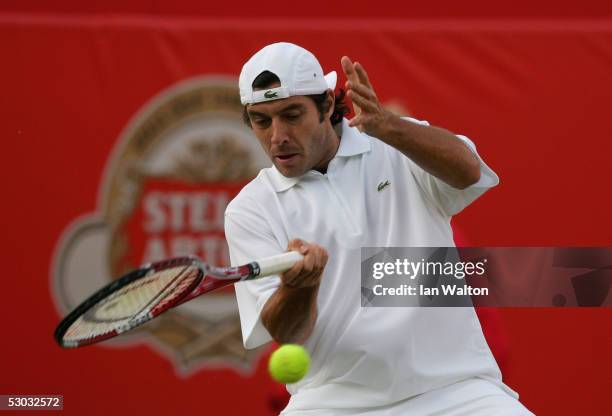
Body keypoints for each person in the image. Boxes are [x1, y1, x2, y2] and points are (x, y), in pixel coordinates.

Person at [225, 42, 532, 415]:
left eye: (292, 114)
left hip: (456, 391)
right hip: (328, 402)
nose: (278, 135)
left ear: (325, 106)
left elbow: (469, 173)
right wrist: (299, 287)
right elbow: (287, 333)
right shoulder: (249, 209)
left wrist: (390, 128)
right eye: (262, 121)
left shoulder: (397, 145)